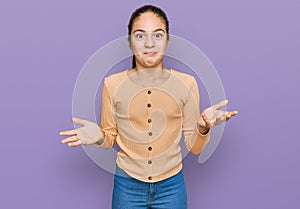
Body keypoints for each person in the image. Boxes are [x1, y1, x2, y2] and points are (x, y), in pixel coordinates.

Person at [59, 4, 238, 209]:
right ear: (129, 42)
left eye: (158, 35)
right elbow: (109, 139)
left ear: (168, 41)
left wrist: (203, 127)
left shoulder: (186, 83)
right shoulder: (112, 84)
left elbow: (194, 147)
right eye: (140, 35)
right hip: (127, 186)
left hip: (172, 186)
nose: (149, 43)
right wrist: (99, 136)